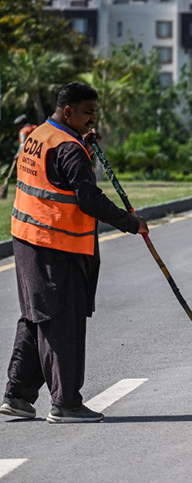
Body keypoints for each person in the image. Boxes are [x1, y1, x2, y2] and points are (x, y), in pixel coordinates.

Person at [0, 82, 148, 424]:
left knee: (37, 317)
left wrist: (87, 149)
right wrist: (131, 222)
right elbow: (89, 198)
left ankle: (18, 396)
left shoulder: (40, 134)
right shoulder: (68, 148)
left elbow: (59, 183)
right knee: (61, 322)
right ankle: (66, 404)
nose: (93, 119)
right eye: (88, 113)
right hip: (55, 245)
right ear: (69, 112)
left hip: (27, 239)